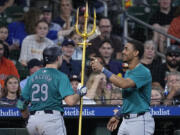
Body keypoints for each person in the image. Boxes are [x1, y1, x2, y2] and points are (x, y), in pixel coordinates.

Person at [16, 46, 86, 135]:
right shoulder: (60, 76)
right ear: (58, 58)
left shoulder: (32, 77)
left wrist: (27, 118)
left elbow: (20, 104)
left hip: (33, 121)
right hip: (51, 120)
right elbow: (70, 101)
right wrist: (81, 92)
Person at [91, 39, 155, 135]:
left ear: (136, 53)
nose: (123, 52)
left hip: (140, 121)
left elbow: (123, 84)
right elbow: (130, 99)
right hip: (126, 120)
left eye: (126, 49)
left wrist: (102, 69)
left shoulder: (143, 71)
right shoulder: (128, 71)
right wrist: (118, 115)